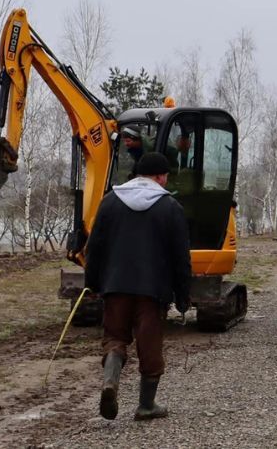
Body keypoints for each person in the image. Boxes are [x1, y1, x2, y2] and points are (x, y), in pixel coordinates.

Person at [85, 152, 191, 421]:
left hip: (115, 285)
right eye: (166, 176)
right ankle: (146, 405)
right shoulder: (171, 207)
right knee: (150, 345)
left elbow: (94, 247)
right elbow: (181, 257)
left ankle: (110, 381)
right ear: (159, 176)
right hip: (153, 291)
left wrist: (94, 284)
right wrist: (183, 295)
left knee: (115, 337)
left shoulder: (109, 202)